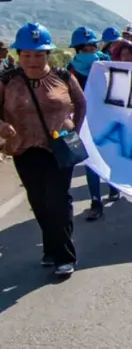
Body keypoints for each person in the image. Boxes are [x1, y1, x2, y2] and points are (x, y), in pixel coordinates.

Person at [0, 23, 86, 277]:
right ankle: (50, 247)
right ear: (18, 55)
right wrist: (3, 126)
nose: (32, 60)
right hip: (24, 150)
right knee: (38, 202)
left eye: (38, 54)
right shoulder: (7, 81)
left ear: (47, 54)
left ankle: (64, 257)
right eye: (26, 55)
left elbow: (81, 103)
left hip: (58, 149)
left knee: (57, 200)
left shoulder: (63, 77)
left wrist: (74, 132)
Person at [67, 27, 120, 221]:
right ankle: (96, 201)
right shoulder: (70, 70)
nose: (89, 50)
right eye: (85, 47)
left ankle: (114, 188)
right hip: (86, 122)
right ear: (77, 49)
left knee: (110, 156)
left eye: (92, 46)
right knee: (91, 162)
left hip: (108, 119)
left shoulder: (106, 64)